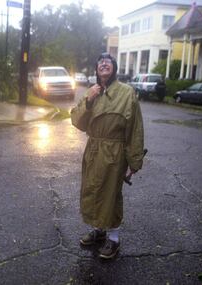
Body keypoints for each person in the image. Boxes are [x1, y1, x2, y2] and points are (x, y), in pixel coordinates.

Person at [71, 53, 145, 259]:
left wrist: (134, 161)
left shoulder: (127, 93)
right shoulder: (92, 92)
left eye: (108, 61)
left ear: (114, 68)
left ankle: (113, 239)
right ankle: (99, 230)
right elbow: (77, 122)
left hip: (114, 153)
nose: (104, 63)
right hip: (93, 150)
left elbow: (135, 130)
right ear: (96, 70)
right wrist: (88, 100)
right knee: (93, 191)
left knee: (111, 195)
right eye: (100, 62)